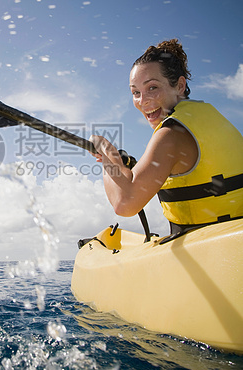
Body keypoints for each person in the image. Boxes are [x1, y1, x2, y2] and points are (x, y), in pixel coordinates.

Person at [90, 39, 243, 235]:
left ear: (180, 86)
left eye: (152, 87)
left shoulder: (170, 135)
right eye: (135, 92)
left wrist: (107, 152)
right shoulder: (210, 117)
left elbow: (125, 203)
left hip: (215, 250)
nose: (143, 101)